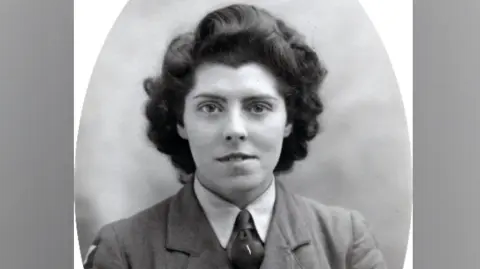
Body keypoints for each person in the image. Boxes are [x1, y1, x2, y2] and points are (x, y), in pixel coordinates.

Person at [83, 3, 387, 269]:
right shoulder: (123, 251)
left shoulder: (345, 241)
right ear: (181, 122)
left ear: (288, 121)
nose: (234, 130)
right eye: (211, 107)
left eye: (257, 107)